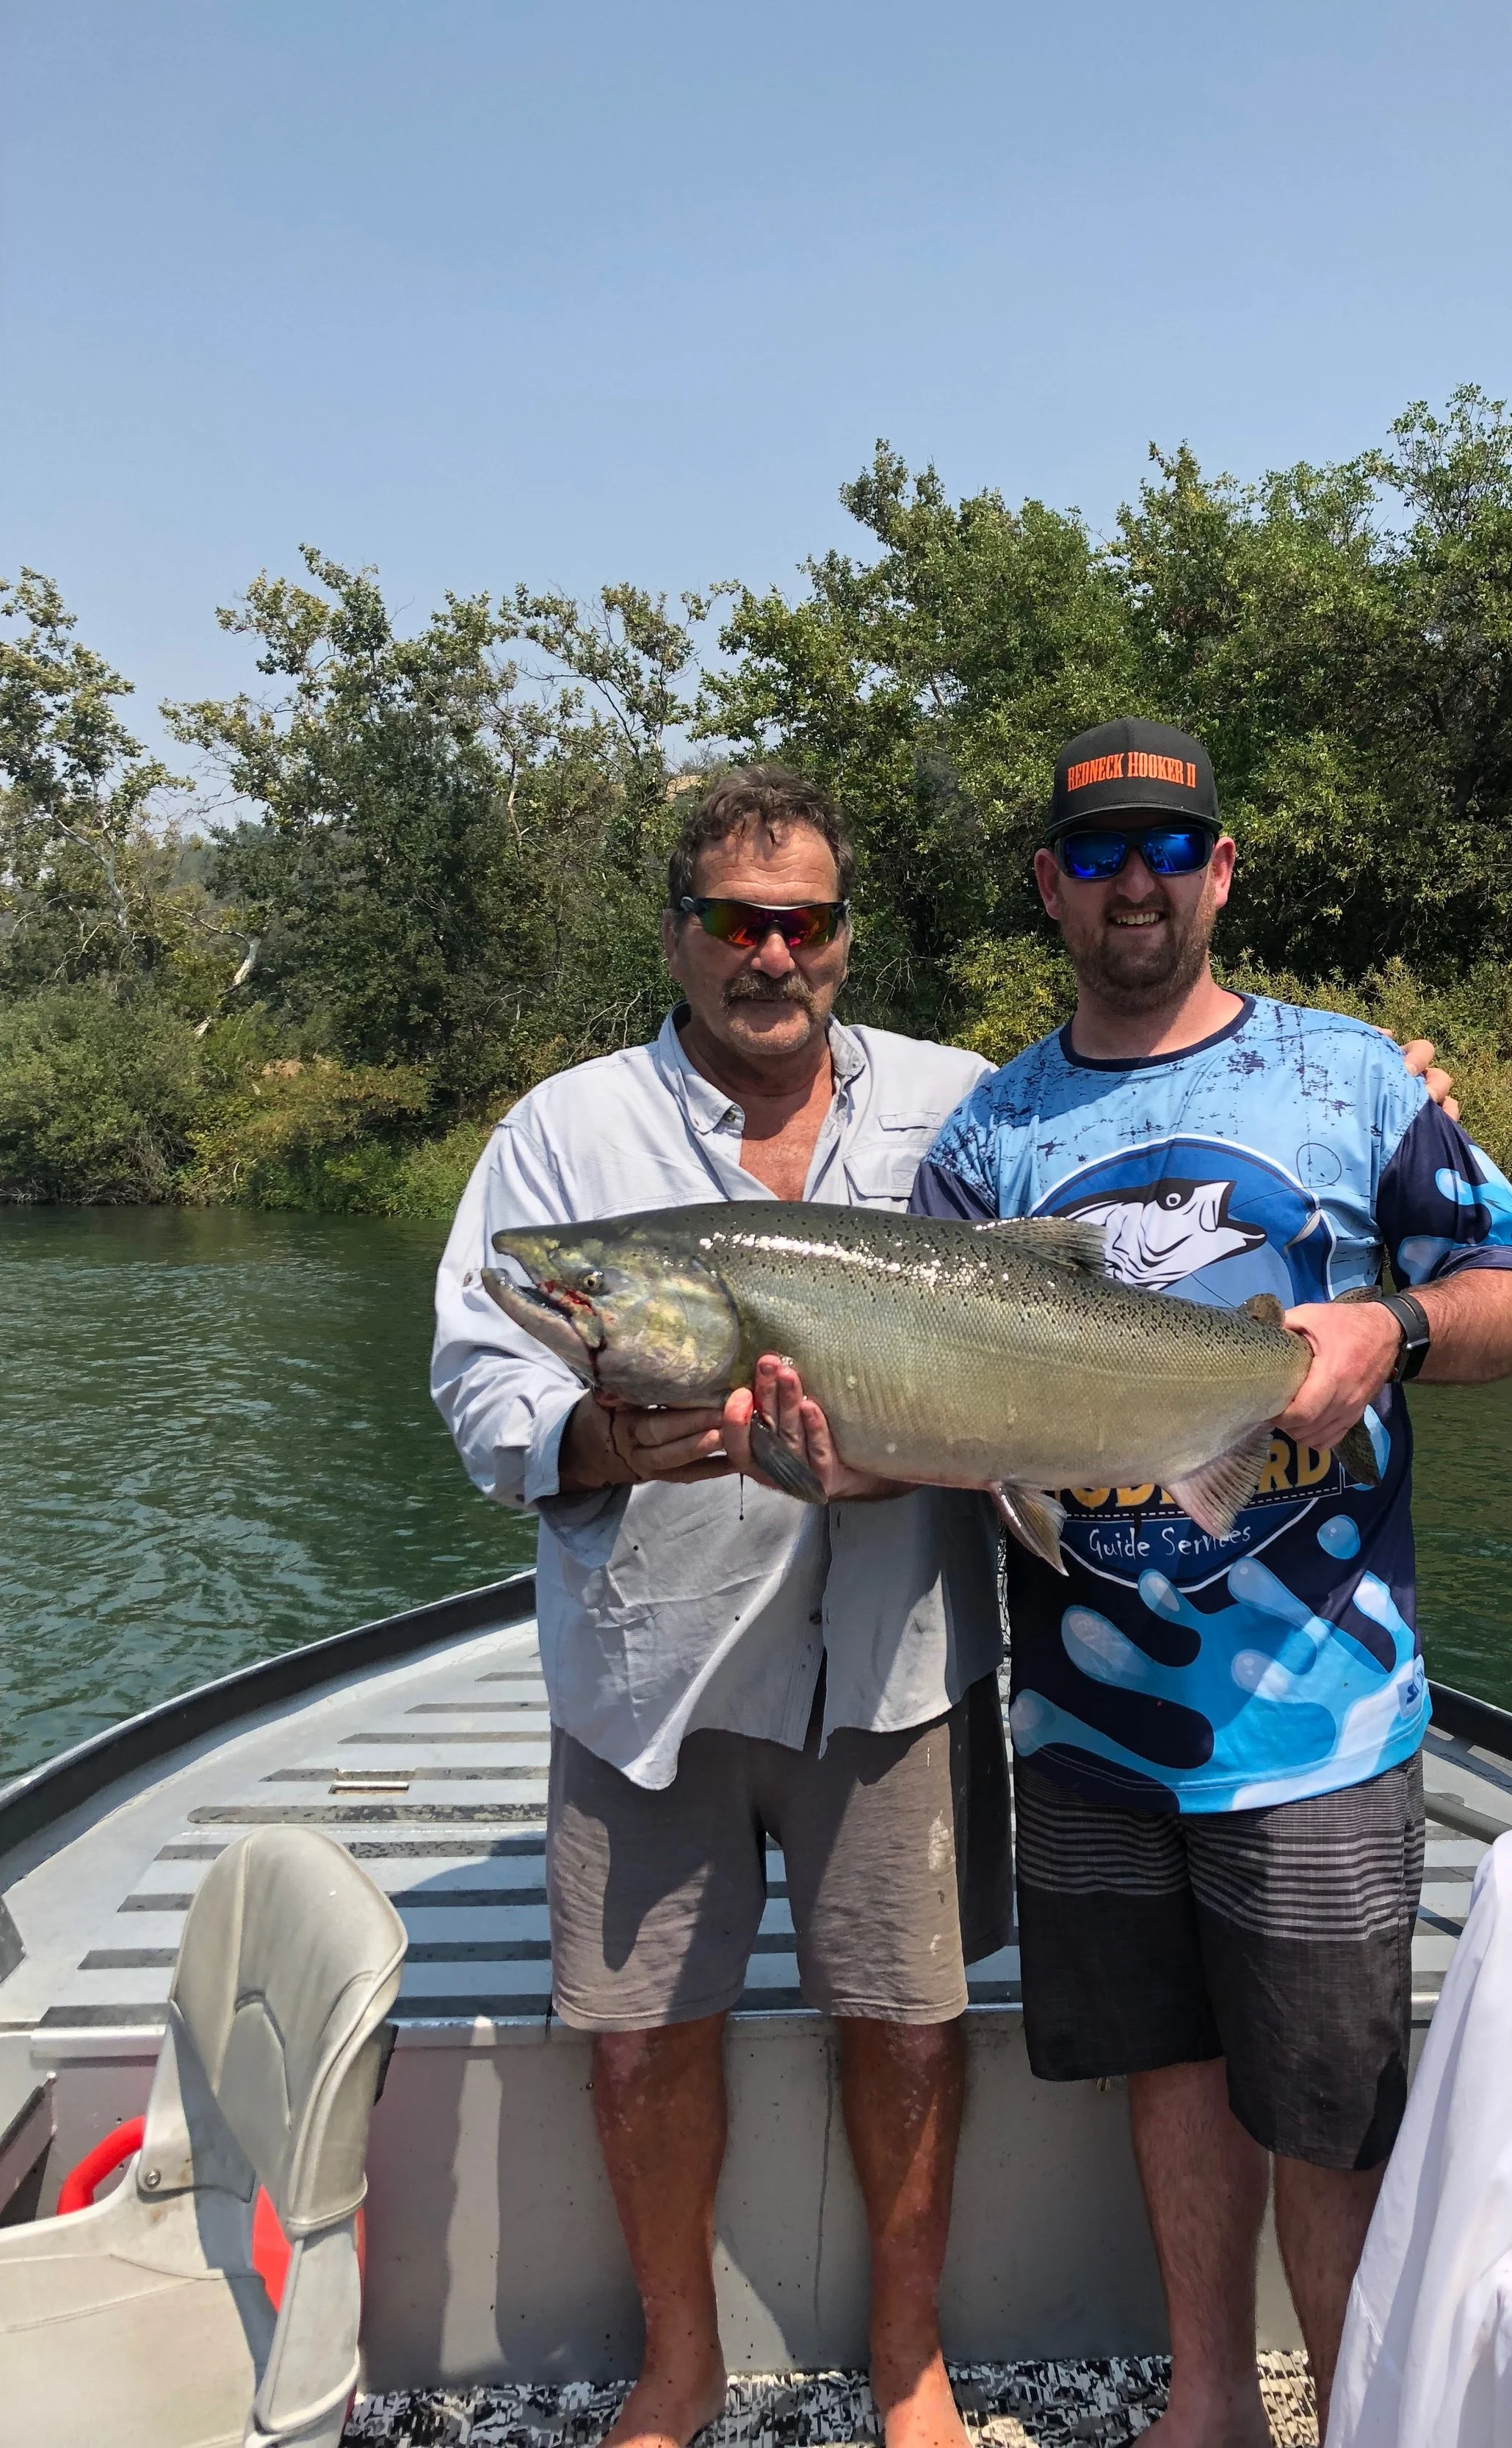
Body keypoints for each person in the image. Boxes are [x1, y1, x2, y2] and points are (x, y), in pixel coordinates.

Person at [754, 719, 1512, 2443]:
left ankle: (1355, 2418)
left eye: (1165, 845)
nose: (1133, 879)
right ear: (1049, 885)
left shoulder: (1351, 1080)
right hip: (1084, 1721)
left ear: (1221, 870)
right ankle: (1209, 2404)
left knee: (1328, 2113)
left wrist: (1395, 1323)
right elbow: (943, 1414)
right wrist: (830, 1447)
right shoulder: (989, 1135)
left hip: (1316, 1721)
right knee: (1172, 2079)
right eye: (1096, 851)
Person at [431, 768, 1010, 2448]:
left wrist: (1379, 1099)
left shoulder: (961, 1104)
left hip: (892, 1660)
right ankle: (677, 2365)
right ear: (679, 937)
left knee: (907, 2030)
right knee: (638, 2044)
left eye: (804, 921)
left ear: (842, 935)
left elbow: (1116, 1202)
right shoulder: (563, 1133)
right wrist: (596, 1438)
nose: (773, 953)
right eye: (736, 921)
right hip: (651, 1672)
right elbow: (479, 1368)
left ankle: (909, 2370)